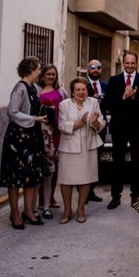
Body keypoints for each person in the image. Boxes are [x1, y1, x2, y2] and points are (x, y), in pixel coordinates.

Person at [0, 56, 49, 229]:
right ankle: (14, 213)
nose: (40, 71)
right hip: (18, 138)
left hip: (32, 136)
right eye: (38, 68)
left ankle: (28, 211)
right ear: (31, 69)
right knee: (14, 178)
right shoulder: (19, 88)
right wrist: (34, 119)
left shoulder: (34, 88)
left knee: (33, 177)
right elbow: (12, 112)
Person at [57, 77, 106, 224]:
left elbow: (101, 123)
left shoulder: (94, 102)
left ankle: (81, 209)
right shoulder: (64, 104)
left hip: (87, 145)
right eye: (77, 89)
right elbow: (62, 125)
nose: (81, 92)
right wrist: (80, 123)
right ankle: (67, 210)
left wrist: (96, 122)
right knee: (66, 181)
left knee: (85, 179)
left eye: (83, 89)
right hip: (69, 147)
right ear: (72, 91)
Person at [102, 51, 139, 209]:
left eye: (132, 63)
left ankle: (135, 196)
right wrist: (123, 98)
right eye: (127, 63)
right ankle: (115, 196)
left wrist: (134, 97)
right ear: (123, 64)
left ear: (136, 63)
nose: (130, 66)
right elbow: (106, 104)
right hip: (118, 128)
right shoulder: (114, 80)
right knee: (117, 163)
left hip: (136, 127)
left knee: (136, 163)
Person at [36, 64, 67, 219]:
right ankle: (38, 202)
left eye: (53, 74)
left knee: (52, 168)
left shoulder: (60, 92)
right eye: (48, 74)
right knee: (38, 170)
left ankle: (48, 200)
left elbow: (62, 113)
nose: (51, 77)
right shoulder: (35, 90)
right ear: (42, 75)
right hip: (38, 133)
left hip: (54, 133)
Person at [86, 59, 107, 202]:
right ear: (88, 69)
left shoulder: (106, 86)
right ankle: (83, 191)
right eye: (92, 67)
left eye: (98, 67)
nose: (95, 70)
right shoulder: (82, 85)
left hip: (100, 127)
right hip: (85, 127)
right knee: (85, 160)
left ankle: (90, 191)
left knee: (96, 161)